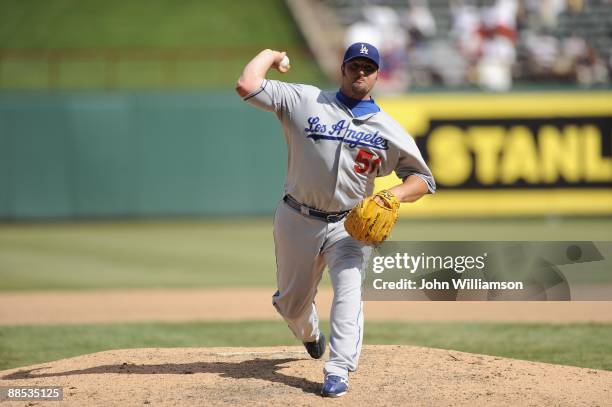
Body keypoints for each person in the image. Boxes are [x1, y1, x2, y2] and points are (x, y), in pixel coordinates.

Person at [235, 43, 435, 397]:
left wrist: (394, 195)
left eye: (368, 67)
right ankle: (310, 333)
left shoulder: (388, 128)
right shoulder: (304, 100)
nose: (361, 72)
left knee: (349, 291)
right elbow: (247, 85)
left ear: (377, 74)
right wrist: (271, 54)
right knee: (291, 304)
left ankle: (339, 368)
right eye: (354, 65)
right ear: (342, 69)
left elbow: (424, 180)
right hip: (297, 217)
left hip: (351, 225)